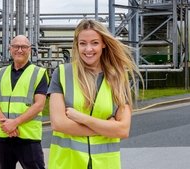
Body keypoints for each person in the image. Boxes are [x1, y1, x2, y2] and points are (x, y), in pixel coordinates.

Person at [47, 19, 142, 169]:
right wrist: (107, 128)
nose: (88, 49)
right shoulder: (62, 74)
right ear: (76, 45)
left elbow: (123, 130)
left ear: (104, 43)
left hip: (105, 164)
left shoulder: (118, 77)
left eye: (95, 43)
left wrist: (81, 118)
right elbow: (58, 123)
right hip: (68, 163)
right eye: (83, 43)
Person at [0, 35, 48, 169]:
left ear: (30, 50)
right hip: (4, 136)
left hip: (28, 137)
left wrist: (14, 123)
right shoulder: (0, 73)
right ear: (10, 49)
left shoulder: (39, 73)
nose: (19, 50)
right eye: (16, 46)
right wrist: (5, 123)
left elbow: (39, 105)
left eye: (24, 47)